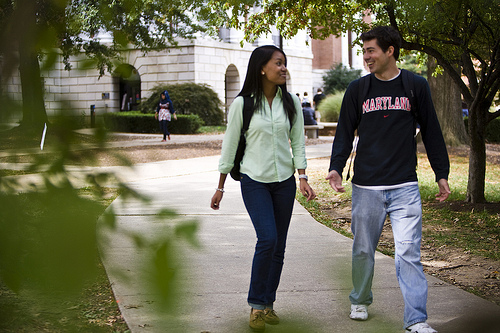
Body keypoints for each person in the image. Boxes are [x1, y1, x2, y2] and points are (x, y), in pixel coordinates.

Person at [325, 26, 451, 333]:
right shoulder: (358, 89)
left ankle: (416, 320)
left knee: (408, 251)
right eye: (364, 51)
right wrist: (336, 167)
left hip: (404, 185)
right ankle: (359, 299)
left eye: (371, 51)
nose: (366, 57)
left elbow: (432, 130)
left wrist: (441, 173)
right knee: (363, 249)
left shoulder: (414, 85)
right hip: (366, 185)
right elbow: (344, 131)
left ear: (389, 51)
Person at [210, 45, 316, 332]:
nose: (283, 68)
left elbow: (297, 142)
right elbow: (230, 146)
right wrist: (220, 186)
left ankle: (268, 303)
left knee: (279, 246)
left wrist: (303, 176)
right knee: (267, 239)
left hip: (284, 182)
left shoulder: (291, 102)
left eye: (285, 64)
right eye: (278, 63)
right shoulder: (242, 104)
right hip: (253, 180)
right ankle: (256, 305)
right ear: (262, 68)